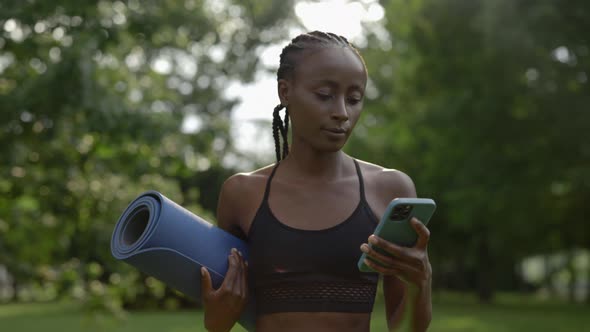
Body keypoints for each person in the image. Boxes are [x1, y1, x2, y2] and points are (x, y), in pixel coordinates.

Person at [199, 31, 432, 332]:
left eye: (354, 99)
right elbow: (226, 307)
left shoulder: (390, 190)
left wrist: (420, 285)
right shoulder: (242, 194)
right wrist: (215, 323)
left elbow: (404, 329)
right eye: (324, 95)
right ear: (286, 92)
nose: (342, 113)